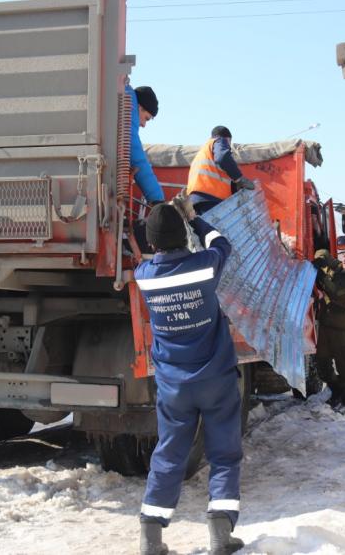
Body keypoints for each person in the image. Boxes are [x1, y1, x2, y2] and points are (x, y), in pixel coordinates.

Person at [135, 200, 244, 555]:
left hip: (174, 386)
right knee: (224, 453)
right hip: (216, 379)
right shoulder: (204, 265)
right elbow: (221, 242)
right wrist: (195, 219)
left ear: (152, 244)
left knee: (169, 454)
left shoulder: (145, 276)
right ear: (182, 235)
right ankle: (220, 532)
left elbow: (146, 245)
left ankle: (151, 537)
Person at [312, 244, 345, 411]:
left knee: (344, 366)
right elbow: (325, 254)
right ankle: (336, 391)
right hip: (326, 324)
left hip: (340, 327)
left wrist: (321, 275)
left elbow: (335, 291)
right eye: (344, 256)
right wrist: (320, 258)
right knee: (322, 366)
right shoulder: (340, 268)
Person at [186, 126, 256, 215]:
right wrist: (239, 179)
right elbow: (222, 158)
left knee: (206, 229)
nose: (228, 147)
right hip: (211, 199)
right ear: (227, 139)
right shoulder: (220, 141)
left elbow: (216, 172)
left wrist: (234, 187)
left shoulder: (201, 153)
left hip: (195, 201)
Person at [125, 84, 165, 204]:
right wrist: (157, 200)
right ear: (139, 107)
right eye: (146, 118)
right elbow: (136, 156)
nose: (143, 124)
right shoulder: (129, 108)